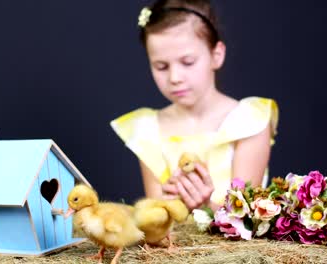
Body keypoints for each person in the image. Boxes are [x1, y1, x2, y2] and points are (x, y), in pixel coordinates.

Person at [111, 0, 278, 212]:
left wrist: (205, 206)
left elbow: (245, 216)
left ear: (216, 56)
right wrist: (168, 202)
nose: (175, 77)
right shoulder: (148, 130)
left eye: (188, 62)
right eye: (161, 66)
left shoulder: (249, 122)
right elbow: (156, 219)